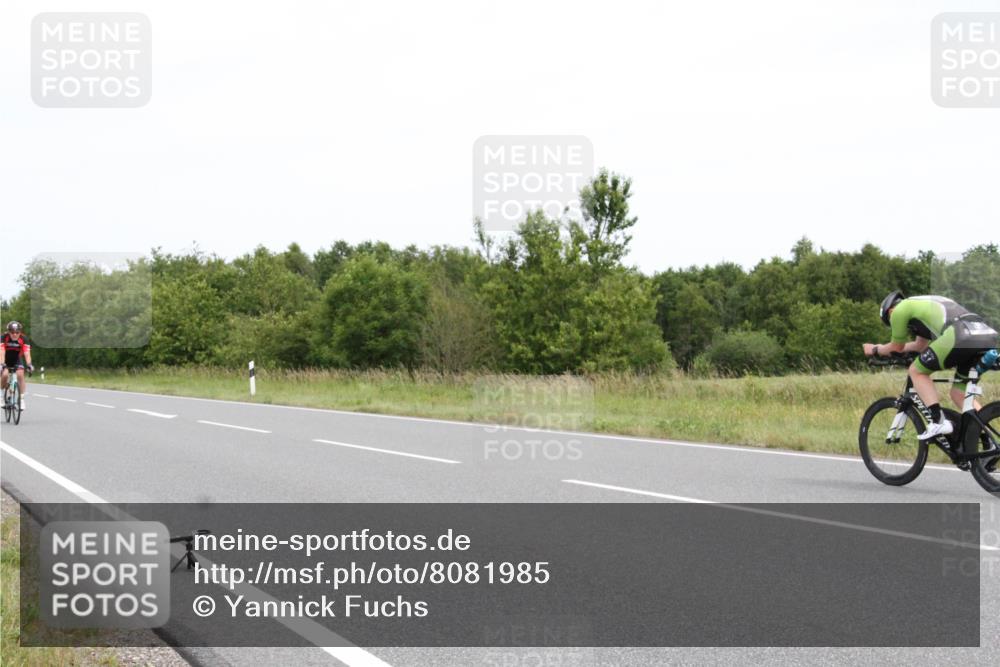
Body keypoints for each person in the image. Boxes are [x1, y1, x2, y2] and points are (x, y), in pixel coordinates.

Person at [864, 292, 999, 441]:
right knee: (959, 394)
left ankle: (938, 421)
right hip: (984, 334)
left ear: (890, 311)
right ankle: (989, 440)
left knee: (916, 371)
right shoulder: (921, 305)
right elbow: (919, 346)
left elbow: (897, 346)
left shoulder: (899, 310)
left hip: (960, 334)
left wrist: (876, 349)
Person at [1, 321, 33, 411]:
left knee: (20, 375)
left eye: (17, 332)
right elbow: (2, 352)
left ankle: (21, 399)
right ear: (8, 332)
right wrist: (2, 364)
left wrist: (29, 365)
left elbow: (27, 353)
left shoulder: (24, 339)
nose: (15, 334)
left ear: (20, 332)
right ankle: (1, 395)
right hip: (4, 359)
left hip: (16, 359)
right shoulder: (3, 337)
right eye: (12, 332)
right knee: (5, 375)